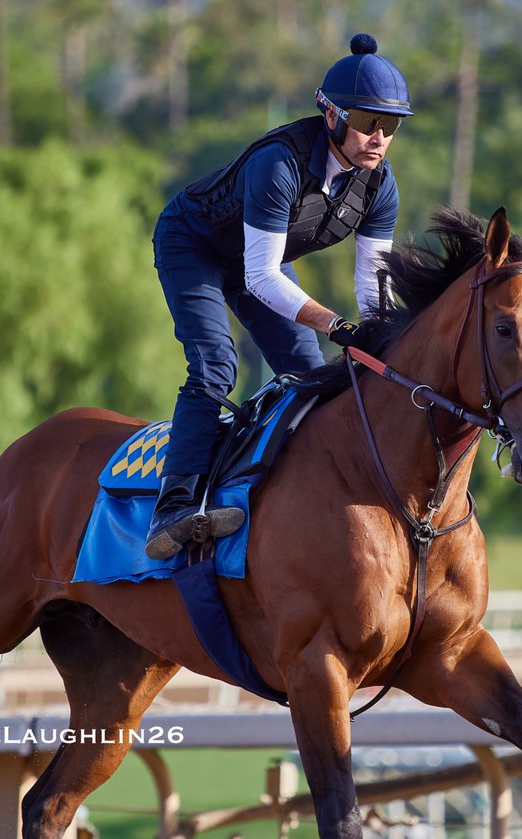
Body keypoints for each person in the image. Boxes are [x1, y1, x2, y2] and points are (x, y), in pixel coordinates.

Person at [145, 32, 412, 560]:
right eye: (366, 122)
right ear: (331, 114)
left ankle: (278, 493)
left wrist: (383, 335)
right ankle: (174, 506)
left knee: (308, 373)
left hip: (258, 256)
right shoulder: (280, 163)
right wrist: (336, 325)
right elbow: (263, 277)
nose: (379, 137)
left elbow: (370, 285)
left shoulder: (379, 186)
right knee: (215, 367)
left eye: (391, 125)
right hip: (194, 244)